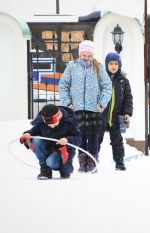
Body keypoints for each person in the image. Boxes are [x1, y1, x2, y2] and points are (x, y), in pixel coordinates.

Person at [59, 40, 112, 173]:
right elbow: (63, 84)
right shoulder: (72, 66)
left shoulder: (98, 67)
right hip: (76, 108)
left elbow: (107, 86)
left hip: (93, 109)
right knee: (80, 135)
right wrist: (68, 103)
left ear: (93, 56)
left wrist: (101, 104)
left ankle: (93, 161)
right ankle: (82, 161)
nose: (86, 58)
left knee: (93, 136)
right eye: (84, 55)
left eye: (89, 55)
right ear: (80, 54)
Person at [19, 104, 82, 180]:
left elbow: (78, 139)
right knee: (36, 139)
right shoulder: (42, 122)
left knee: (52, 163)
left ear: (59, 117)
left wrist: (67, 140)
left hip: (64, 150)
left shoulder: (69, 122)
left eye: (53, 124)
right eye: (48, 124)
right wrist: (27, 134)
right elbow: (33, 131)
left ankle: (64, 166)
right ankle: (45, 171)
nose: (50, 126)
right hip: (49, 148)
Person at [99, 52, 133, 171]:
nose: (113, 66)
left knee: (117, 140)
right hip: (101, 116)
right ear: (106, 65)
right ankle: (92, 159)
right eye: (110, 63)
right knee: (97, 138)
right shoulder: (101, 79)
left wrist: (127, 113)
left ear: (119, 65)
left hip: (116, 116)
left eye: (116, 63)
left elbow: (128, 98)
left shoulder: (124, 81)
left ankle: (119, 162)